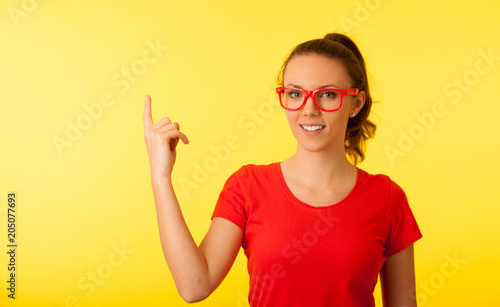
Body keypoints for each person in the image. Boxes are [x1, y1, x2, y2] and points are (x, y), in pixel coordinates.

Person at [143, 32, 423, 306]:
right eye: (294, 93)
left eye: (327, 94)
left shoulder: (387, 198)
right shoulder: (247, 186)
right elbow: (194, 286)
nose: (309, 109)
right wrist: (160, 177)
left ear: (356, 103)